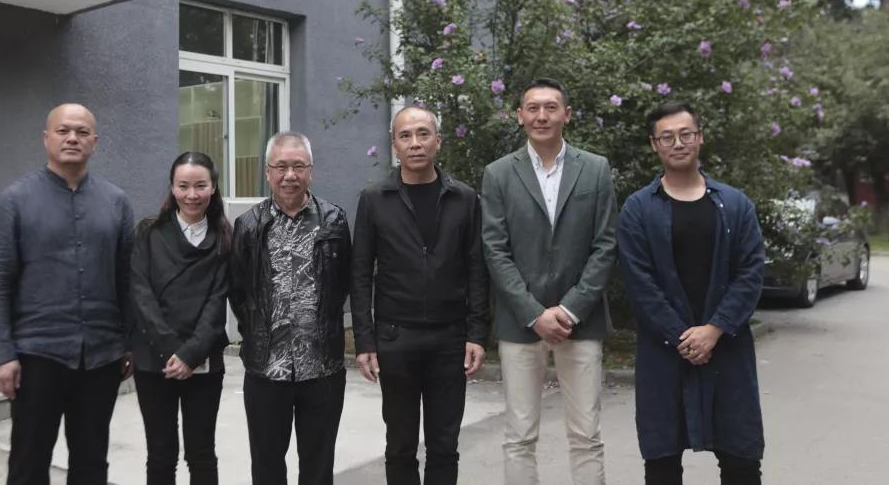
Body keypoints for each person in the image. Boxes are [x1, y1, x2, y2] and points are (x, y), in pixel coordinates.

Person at [0, 103, 134, 485]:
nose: (72, 138)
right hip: (37, 356)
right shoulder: (13, 201)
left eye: (82, 132)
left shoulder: (116, 202)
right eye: (63, 130)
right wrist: (2, 355)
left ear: (94, 141)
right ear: (46, 138)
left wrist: (128, 342)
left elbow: (127, 279)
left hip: (100, 356)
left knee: (92, 464)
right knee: (29, 463)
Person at [617, 102, 765, 485]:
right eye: (667, 137)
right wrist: (683, 337)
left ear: (700, 138)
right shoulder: (638, 209)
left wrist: (714, 330)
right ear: (654, 144)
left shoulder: (735, 205)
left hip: (727, 348)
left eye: (686, 134)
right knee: (662, 462)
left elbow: (750, 273)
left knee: (742, 460)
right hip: (664, 352)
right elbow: (639, 282)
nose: (678, 143)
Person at [481, 78, 617, 485]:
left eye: (551, 107)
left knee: (587, 435)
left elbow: (606, 245)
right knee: (519, 436)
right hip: (521, 322)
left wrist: (571, 309)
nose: (542, 116)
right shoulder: (498, 174)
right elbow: (495, 250)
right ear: (519, 116)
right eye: (533, 108)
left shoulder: (595, 169)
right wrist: (534, 313)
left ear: (567, 115)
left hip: (581, 320)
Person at [351, 105, 490, 485]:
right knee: (400, 445)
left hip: (450, 339)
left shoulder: (464, 198)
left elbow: (477, 269)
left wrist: (477, 333)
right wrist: (365, 340)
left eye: (423, 134)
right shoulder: (375, 198)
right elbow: (360, 274)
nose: (415, 143)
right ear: (394, 144)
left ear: (438, 141)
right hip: (396, 338)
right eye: (406, 136)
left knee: (445, 445)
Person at [228, 131, 352, 485]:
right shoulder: (249, 225)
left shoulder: (334, 221)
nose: (290, 175)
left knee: (318, 468)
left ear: (311, 170)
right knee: (267, 468)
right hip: (267, 369)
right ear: (268, 172)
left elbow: (344, 281)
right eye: (281, 166)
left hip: (323, 368)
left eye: (298, 166)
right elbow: (238, 291)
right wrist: (256, 333)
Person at [129, 151, 231, 484]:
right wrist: (172, 350)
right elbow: (141, 294)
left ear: (213, 187)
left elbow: (217, 303)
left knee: (201, 453)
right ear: (172, 188)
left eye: (200, 185)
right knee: (161, 453)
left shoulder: (224, 237)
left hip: (203, 360)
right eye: (183, 186)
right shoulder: (148, 232)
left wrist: (190, 354)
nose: (192, 194)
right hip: (153, 360)